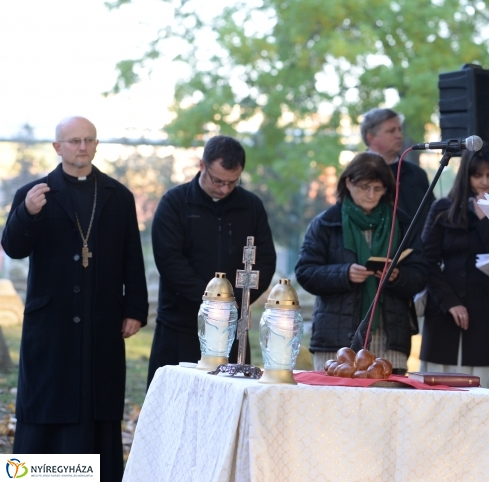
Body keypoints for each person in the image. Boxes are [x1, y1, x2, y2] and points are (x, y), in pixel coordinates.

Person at [1, 116, 148, 482]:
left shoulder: (118, 195)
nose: (82, 147)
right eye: (73, 141)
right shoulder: (33, 193)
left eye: (88, 140)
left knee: (96, 408)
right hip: (51, 326)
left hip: (101, 320)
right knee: (48, 405)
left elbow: (134, 256)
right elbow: (13, 248)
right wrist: (27, 214)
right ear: (57, 147)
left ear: (96, 145)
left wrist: (135, 309)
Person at [147, 136, 276, 386]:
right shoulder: (175, 203)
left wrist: (235, 303)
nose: (224, 189)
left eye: (232, 182)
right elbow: (170, 262)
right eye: (217, 181)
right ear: (201, 166)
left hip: (232, 328)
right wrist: (215, 303)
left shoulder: (250, 207)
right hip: (181, 322)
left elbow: (265, 261)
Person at [295, 152, 428, 374]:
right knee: (334, 404)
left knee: (388, 405)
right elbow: (305, 272)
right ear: (348, 182)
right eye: (365, 187)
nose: (371, 195)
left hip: (389, 339)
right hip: (336, 341)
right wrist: (344, 274)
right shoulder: (326, 223)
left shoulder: (403, 223)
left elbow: (421, 273)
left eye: (378, 188)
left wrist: (398, 276)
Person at [418, 147, 489, 389]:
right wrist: (449, 301)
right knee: (438, 392)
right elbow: (426, 260)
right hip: (444, 314)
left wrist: (485, 220)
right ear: (465, 176)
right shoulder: (442, 209)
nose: (484, 182)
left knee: (482, 391)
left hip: (486, 316)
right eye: (477, 175)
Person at [361, 108, 432, 240]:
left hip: (418, 255)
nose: (399, 135)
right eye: (391, 131)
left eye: (399, 130)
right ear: (371, 137)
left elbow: (431, 217)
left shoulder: (416, 174)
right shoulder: (357, 175)